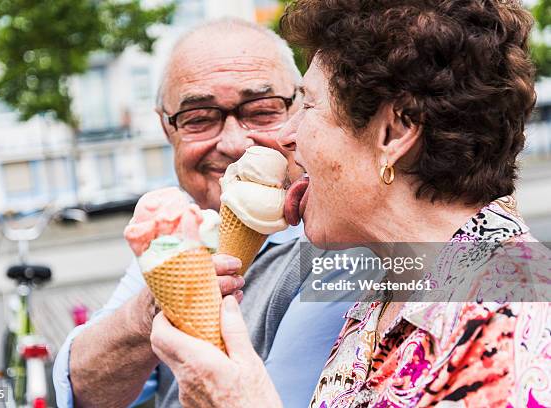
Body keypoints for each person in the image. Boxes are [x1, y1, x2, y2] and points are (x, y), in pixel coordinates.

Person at [149, 1, 551, 407]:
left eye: (308, 105)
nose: (285, 136)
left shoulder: (509, 317)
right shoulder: (387, 297)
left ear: (394, 133)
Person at [53, 18, 368, 408]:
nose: (235, 142)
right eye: (199, 118)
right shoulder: (182, 232)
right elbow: (83, 391)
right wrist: (152, 306)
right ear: (168, 130)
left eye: (262, 110)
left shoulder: (342, 242)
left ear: (301, 110)